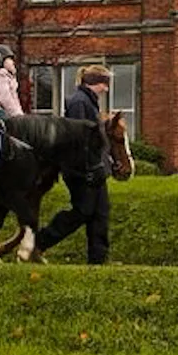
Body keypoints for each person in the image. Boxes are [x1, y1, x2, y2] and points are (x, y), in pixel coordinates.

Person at [32, 64, 114, 264]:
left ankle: (97, 260)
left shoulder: (89, 102)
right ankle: (39, 243)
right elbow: (80, 140)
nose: (106, 89)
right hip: (81, 171)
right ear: (95, 83)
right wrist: (89, 169)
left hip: (94, 170)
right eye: (104, 84)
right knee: (82, 211)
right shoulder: (80, 103)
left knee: (100, 213)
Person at [0, 44, 26, 120]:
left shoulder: (7, 77)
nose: (12, 62)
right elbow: (5, 99)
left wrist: (20, 113)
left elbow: (14, 98)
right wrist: (16, 114)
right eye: (9, 59)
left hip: (7, 110)